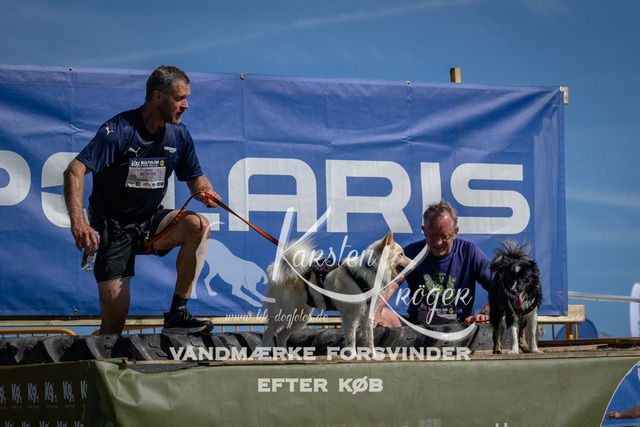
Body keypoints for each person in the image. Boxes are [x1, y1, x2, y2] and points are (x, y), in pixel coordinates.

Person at [63, 65, 219, 335]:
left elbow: (196, 179)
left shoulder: (179, 134)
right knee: (114, 323)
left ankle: (178, 313)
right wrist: (78, 222)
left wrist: (206, 191)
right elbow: (74, 171)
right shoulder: (119, 130)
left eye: (187, 98)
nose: (186, 105)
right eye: (179, 98)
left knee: (199, 225)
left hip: (149, 222)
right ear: (157, 96)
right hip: (112, 228)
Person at [374, 200, 491, 327]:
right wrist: (376, 313)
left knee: (486, 322)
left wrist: (486, 312)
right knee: (379, 314)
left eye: (444, 236)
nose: (438, 242)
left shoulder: (469, 252)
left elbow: (500, 289)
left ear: (455, 232)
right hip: (418, 326)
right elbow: (387, 286)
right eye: (432, 235)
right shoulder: (412, 253)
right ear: (424, 231)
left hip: (460, 326)